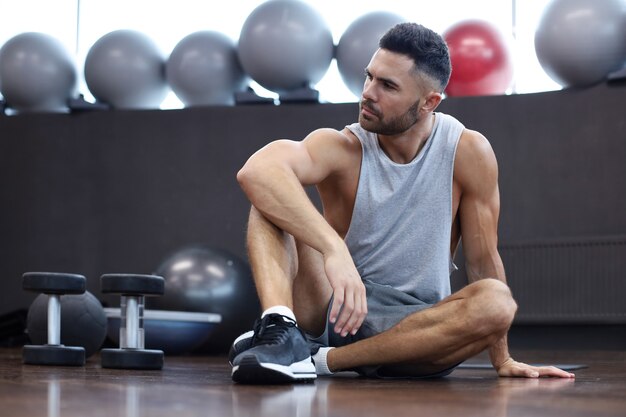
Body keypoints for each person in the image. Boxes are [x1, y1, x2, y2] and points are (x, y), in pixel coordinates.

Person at [230, 22, 575, 384]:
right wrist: (334, 249)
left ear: (429, 102)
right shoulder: (343, 147)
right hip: (338, 309)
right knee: (271, 198)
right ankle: (279, 329)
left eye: (387, 85)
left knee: (497, 301)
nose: (368, 93)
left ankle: (318, 360)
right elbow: (257, 171)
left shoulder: (467, 152)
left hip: (417, 331)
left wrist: (502, 358)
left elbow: (483, 259)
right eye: (369, 77)